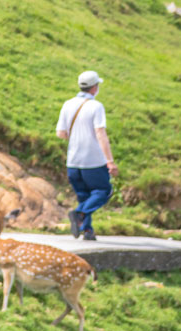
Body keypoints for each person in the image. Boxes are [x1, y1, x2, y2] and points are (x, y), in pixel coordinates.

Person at [56, 70, 119, 241]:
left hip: (73, 161)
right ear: (94, 88)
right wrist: (110, 161)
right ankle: (80, 214)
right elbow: (100, 133)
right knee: (103, 191)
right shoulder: (95, 106)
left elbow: (61, 133)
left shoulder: (67, 104)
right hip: (93, 161)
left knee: (84, 195)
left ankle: (87, 230)